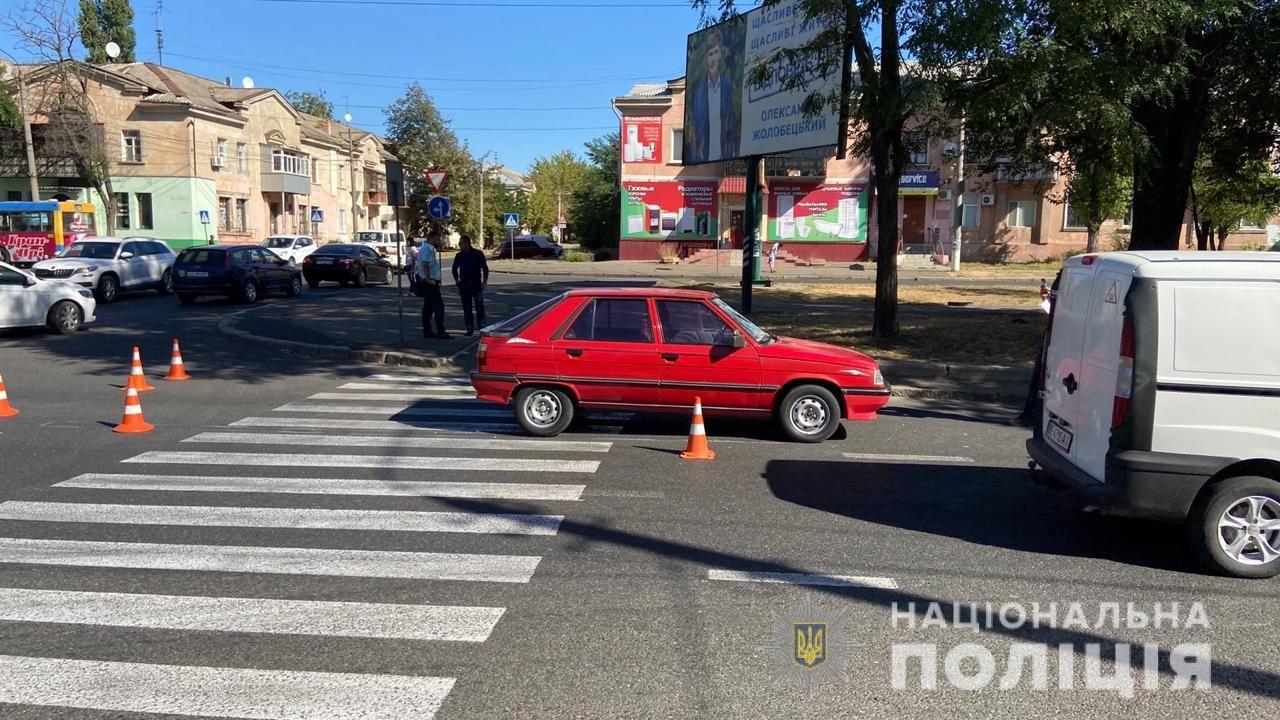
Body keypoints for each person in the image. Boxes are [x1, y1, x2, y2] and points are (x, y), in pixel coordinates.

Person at [686, 23, 742, 163]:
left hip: (724, 156)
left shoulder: (727, 86)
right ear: (706, 57)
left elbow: (731, 124)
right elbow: (695, 129)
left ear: (720, 54)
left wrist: (730, 153)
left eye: (716, 52)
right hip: (702, 158)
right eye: (710, 54)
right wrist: (696, 156)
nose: (713, 59)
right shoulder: (699, 92)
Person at [452, 234, 490, 336]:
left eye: (461, 243)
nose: (459, 245)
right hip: (464, 284)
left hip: (476, 283)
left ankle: (482, 327)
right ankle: (469, 329)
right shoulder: (459, 255)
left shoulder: (477, 254)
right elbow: (454, 268)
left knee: (479, 306)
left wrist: (484, 282)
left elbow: (485, 268)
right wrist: (457, 280)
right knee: (467, 307)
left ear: (466, 243)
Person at [417, 231, 449, 339]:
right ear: (433, 238)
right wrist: (429, 279)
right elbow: (425, 264)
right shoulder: (428, 249)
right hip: (430, 283)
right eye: (438, 239)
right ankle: (440, 331)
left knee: (428, 308)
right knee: (439, 307)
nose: (439, 241)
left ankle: (427, 331)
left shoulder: (427, 248)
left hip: (428, 282)